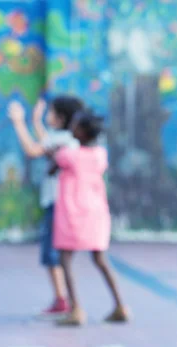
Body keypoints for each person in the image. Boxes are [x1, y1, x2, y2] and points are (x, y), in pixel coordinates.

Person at [47, 110, 130, 326]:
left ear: (82, 132)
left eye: (75, 126)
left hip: (72, 215)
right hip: (96, 214)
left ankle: (76, 309)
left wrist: (55, 153)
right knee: (100, 259)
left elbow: (51, 168)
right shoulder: (100, 154)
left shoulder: (69, 154)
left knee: (65, 260)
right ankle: (120, 305)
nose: (71, 129)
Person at [7, 95, 83, 316]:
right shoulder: (70, 138)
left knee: (53, 254)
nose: (48, 115)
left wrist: (19, 122)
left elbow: (33, 149)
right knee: (60, 255)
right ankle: (64, 298)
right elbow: (46, 142)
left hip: (57, 205)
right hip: (66, 205)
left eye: (50, 112)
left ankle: (63, 298)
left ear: (60, 118)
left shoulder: (61, 140)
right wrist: (37, 121)